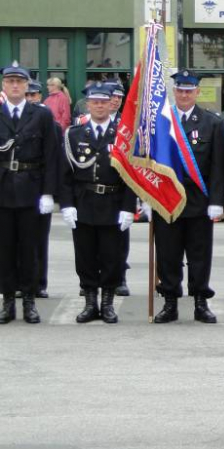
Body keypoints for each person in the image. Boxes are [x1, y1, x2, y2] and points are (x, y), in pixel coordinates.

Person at [151, 69, 224, 324]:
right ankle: (170, 302)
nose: (184, 94)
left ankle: (200, 302)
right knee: (168, 255)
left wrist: (217, 201)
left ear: (197, 92)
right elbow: (150, 163)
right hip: (167, 201)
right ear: (174, 92)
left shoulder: (212, 123)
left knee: (199, 255)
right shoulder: (161, 122)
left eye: (189, 90)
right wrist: (147, 196)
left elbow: (218, 167)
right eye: (180, 90)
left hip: (199, 201)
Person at [59, 82, 136, 323]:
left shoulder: (123, 134)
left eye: (104, 101)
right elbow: (65, 174)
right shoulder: (74, 134)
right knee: (85, 256)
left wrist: (128, 207)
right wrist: (67, 204)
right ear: (88, 104)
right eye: (95, 101)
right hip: (84, 202)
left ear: (110, 103)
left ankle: (108, 303)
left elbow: (131, 175)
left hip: (113, 202)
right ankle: (90, 303)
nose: (100, 105)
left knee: (112, 257)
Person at [0, 62, 59, 324]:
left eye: (19, 82)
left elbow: (51, 156)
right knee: (4, 250)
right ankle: (8, 301)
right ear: (3, 85)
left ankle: (30, 301)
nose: (14, 85)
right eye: (10, 81)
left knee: (30, 249)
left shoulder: (42, 115)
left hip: (31, 190)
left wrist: (48, 193)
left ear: (26, 86)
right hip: (2, 190)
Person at [24, 80, 56, 299]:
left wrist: (49, 191)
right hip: (16, 188)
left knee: (38, 239)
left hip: (38, 186)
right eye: (28, 95)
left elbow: (53, 158)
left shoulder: (47, 120)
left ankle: (39, 283)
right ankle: (19, 283)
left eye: (34, 95)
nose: (30, 99)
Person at [104, 80, 131, 296]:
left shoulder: (127, 124)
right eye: (112, 97)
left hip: (120, 188)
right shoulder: (87, 121)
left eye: (119, 98)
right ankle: (94, 280)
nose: (115, 101)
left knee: (120, 238)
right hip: (95, 187)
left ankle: (120, 277)